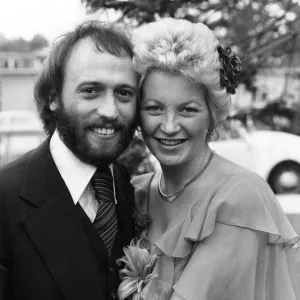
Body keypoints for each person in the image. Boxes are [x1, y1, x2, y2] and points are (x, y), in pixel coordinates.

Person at [129, 18, 300, 300]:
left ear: (213, 115)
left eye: (187, 110)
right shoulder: (136, 193)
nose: (169, 126)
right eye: (154, 108)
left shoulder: (239, 199)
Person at [0, 20, 138, 300]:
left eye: (124, 93)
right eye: (90, 90)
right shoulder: (5, 197)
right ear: (53, 97)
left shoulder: (124, 184)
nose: (110, 111)